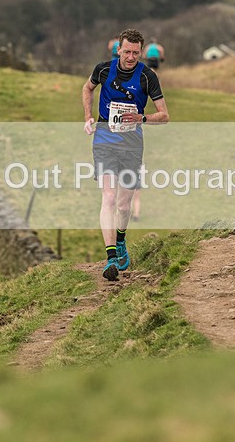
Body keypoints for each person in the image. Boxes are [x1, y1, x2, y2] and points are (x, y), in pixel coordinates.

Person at [82, 28, 169, 281]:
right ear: (118, 50)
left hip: (132, 144)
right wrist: (88, 117)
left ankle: (120, 240)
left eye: (135, 53)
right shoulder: (103, 70)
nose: (131, 57)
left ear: (141, 52)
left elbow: (164, 115)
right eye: (127, 52)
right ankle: (110, 258)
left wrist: (142, 118)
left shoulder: (147, 77)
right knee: (109, 198)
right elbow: (87, 89)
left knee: (123, 204)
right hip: (104, 140)